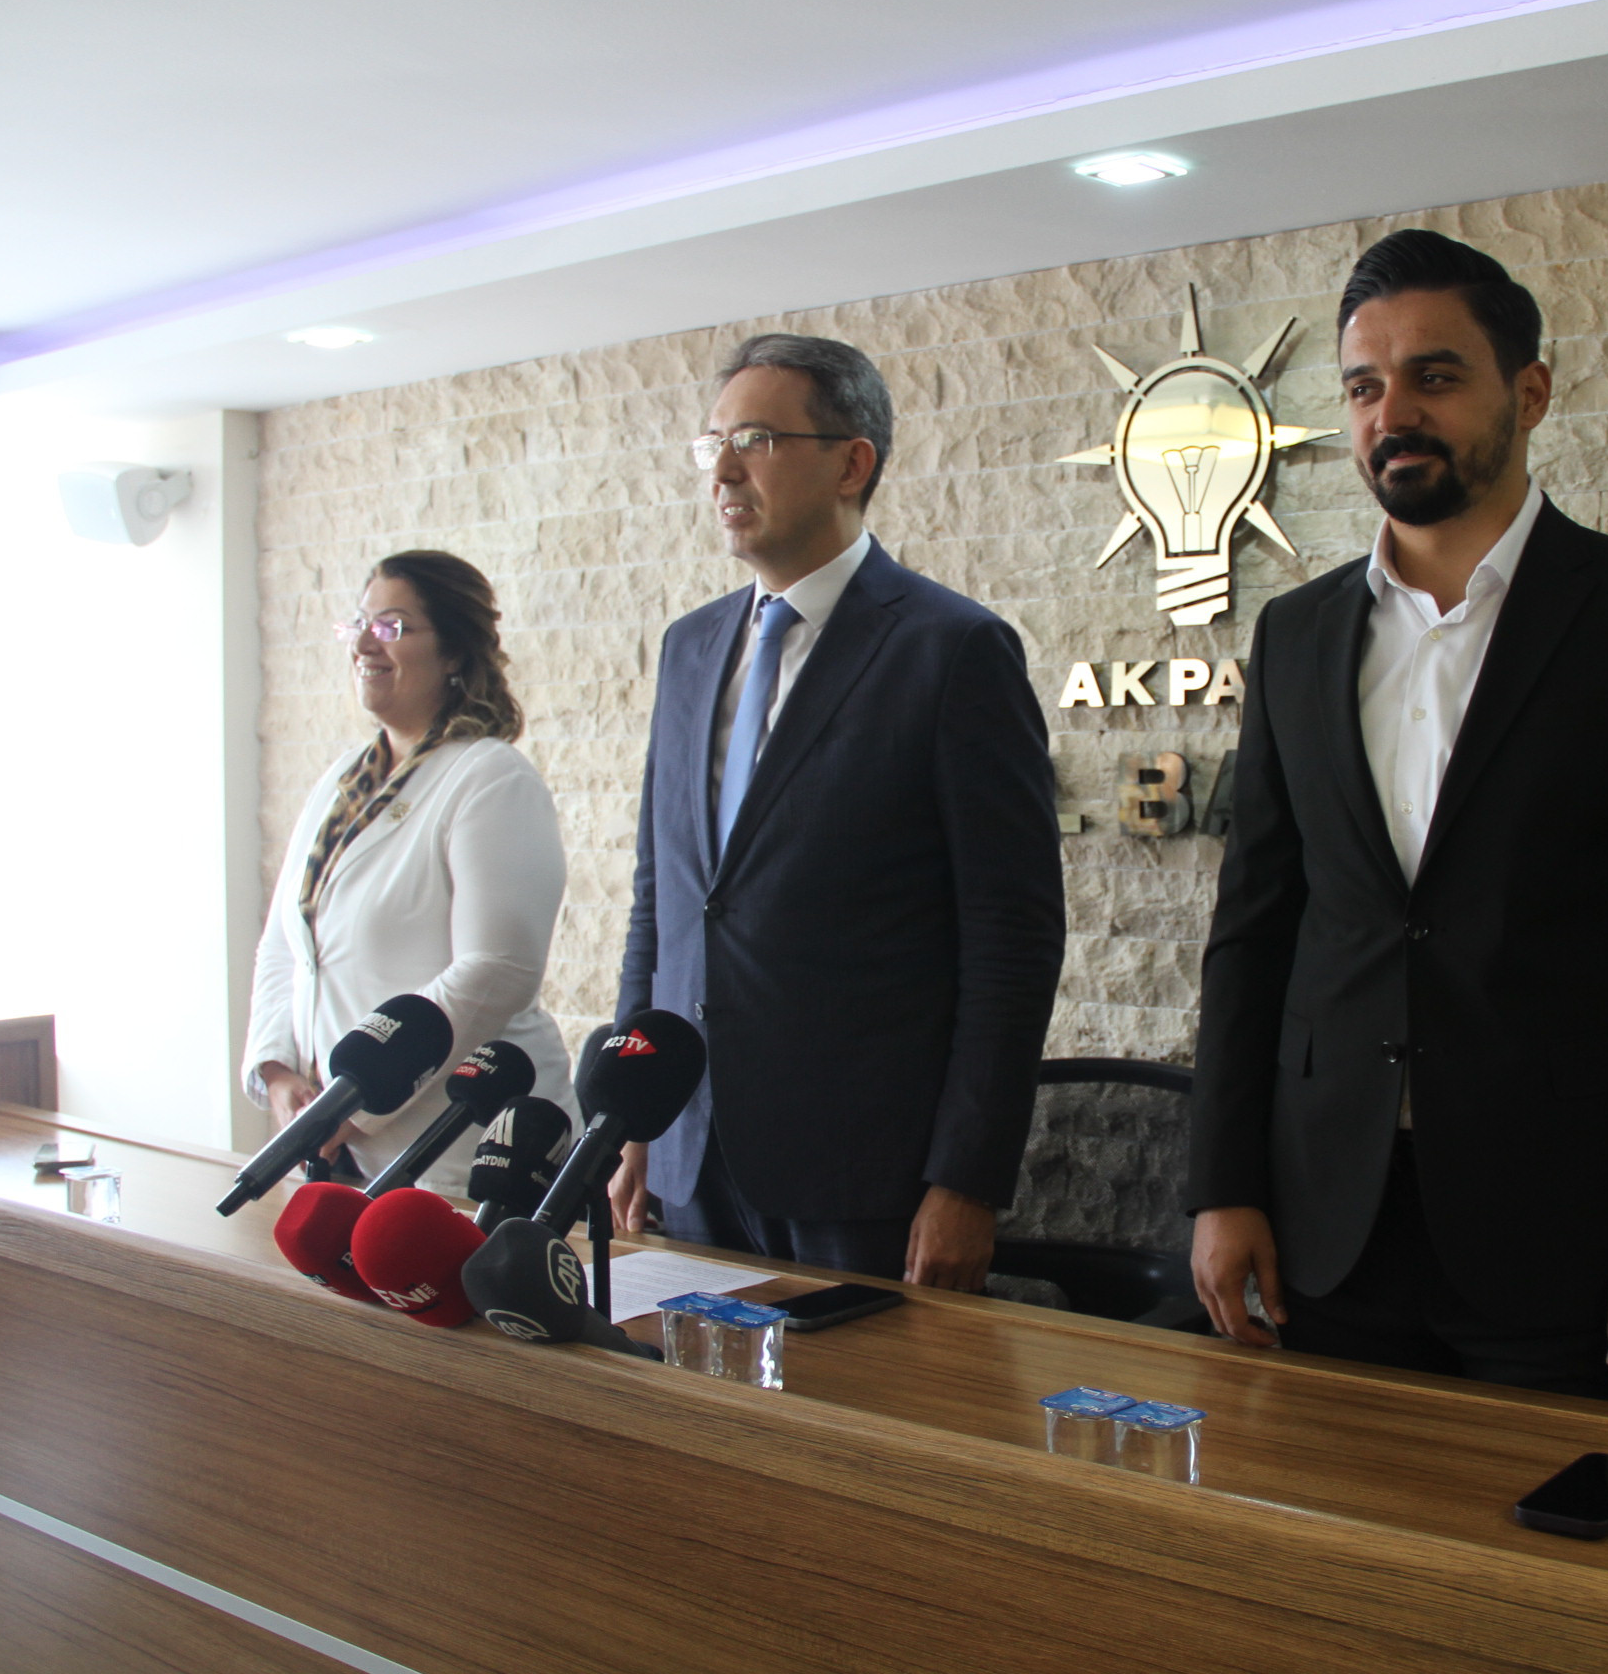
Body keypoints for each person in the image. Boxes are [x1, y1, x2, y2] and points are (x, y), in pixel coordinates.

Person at [1186, 229, 1608, 1397]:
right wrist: (1222, 1186)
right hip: (1329, 1225)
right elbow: (1254, 932)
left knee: (1560, 1519)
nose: (1392, 413)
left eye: (1436, 376)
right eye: (1363, 387)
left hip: (1570, 1235)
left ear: (1531, 393)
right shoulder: (1296, 635)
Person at [606, 333, 1066, 1290]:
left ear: (852, 463)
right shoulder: (690, 648)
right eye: (713, 444)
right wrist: (629, 1112)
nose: (723, 471)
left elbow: (1012, 939)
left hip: (863, 1174)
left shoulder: (952, 650)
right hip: (689, 1153)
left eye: (756, 440)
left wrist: (968, 1178)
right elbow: (663, 903)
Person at [244, 550, 571, 1179]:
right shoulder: (344, 780)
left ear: (453, 653)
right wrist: (277, 1070)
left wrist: (362, 1100)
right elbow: (288, 944)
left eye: (391, 626)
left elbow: (497, 969)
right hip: (335, 1140)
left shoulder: (490, 777)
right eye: (359, 623)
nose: (364, 643)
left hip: (459, 1145)